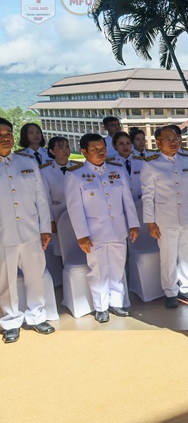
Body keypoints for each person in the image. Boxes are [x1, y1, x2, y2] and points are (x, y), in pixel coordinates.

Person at [65, 133, 140, 323]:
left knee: (116, 268)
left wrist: (133, 224)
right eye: (95, 150)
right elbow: (75, 210)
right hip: (94, 233)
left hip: (118, 229)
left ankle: (116, 303)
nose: (100, 152)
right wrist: (82, 235)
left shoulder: (116, 170)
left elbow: (127, 200)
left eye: (103, 149)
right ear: (83, 152)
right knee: (97, 270)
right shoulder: (76, 175)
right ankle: (101, 307)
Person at [0, 118, 54, 344]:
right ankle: (11, 320)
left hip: (31, 231)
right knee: (6, 282)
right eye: (1, 134)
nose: (6, 137)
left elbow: (41, 198)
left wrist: (45, 228)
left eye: (8, 132)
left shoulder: (27, 161)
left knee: (35, 276)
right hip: (4, 235)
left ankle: (37, 316)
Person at [140, 126, 188, 309]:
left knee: (187, 255)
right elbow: (147, 196)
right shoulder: (151, 164)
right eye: (169, 140)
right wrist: (150, 223)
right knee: (168, 257)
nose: (174, 143)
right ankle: (171, 291)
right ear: (158, 142)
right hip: (165, 219)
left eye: (177, 139)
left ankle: (186, 286)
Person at [39, 136, 79, 257]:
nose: (65, 150)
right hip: (57, 213)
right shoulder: (44, 171)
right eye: (60, 148)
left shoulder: (78, 167)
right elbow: (45, 198)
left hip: (77, 212)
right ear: (51, 151)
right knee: (63, 249)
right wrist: (50, 220)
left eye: (67, 146)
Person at [112, 131, 144, 200]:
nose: (125, 146)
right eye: (121, 144)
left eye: (128, 143)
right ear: (114, 145)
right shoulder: (110, 164)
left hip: (140, 202)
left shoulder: (141, 161)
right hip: (121, 204)